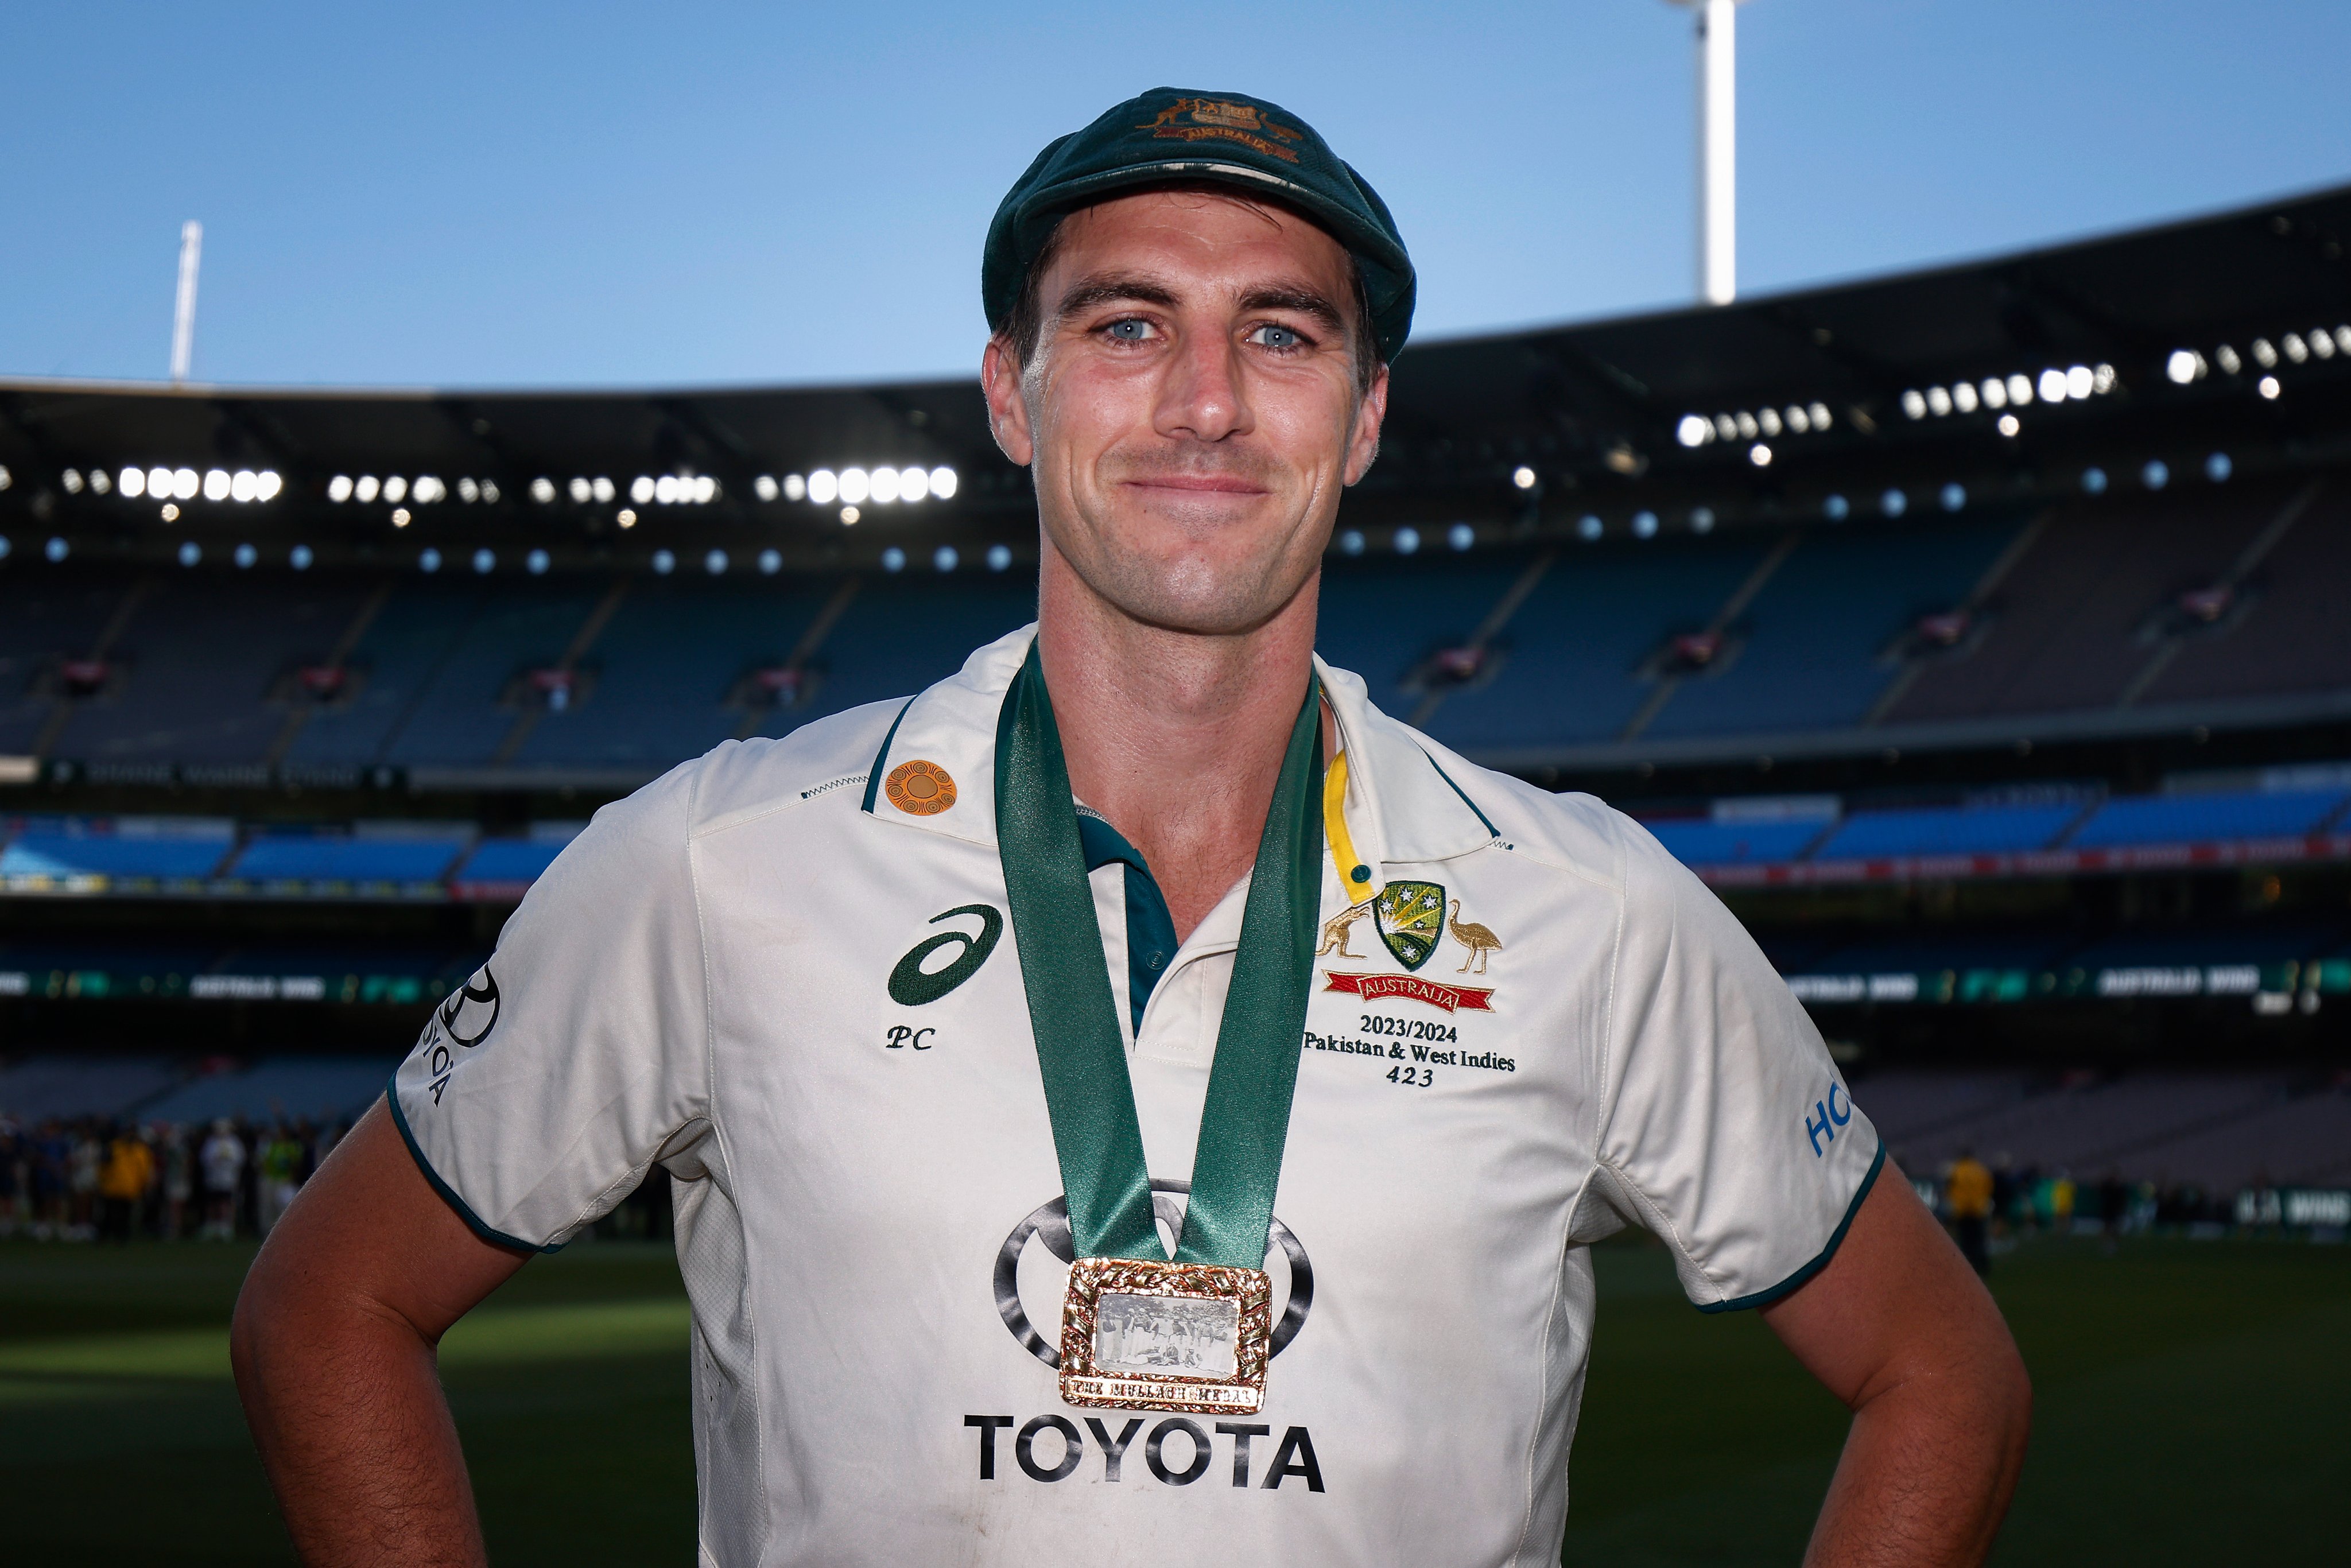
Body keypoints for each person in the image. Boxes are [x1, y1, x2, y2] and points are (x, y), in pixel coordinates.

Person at [234, 87, 2030, 1567]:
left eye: (1280, 332)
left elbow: (1944, 1370)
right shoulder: (720, 857)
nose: (1206, 400)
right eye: (1126, 324)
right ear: (1010, 393)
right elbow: (328, 1305)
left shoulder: (1589, 906)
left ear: (1364, 415)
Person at [97, 1123, 154, 1244]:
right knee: (109, 1214)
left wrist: (145, 1185)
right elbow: (103, 1167)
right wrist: (102, 1182)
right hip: (112, 1188)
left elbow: (144, 1170)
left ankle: (121, 1237)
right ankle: (105, 1236)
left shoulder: (140, 1150)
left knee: (124, 1215)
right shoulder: (114, 1147)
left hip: (129, 1189)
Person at [1947, 1148, 1995, 1278]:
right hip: (1979, 1209)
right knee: (1979, 1239)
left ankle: (1969, 1267)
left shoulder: (1956, 1170)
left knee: (1966, 1241)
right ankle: (1983, 1266)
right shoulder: (1980, 1169)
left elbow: (1950, 1188)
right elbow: (1989, 1187)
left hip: (1962, 1210)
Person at [200, 1118, 245, 1240]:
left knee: (226, 1202)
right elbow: (205, 1159)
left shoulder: (234, 1143)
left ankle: (226, 1226)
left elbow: (240, 1159)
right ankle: (212, 1225)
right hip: (213, 1179)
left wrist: (227, 1161)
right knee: (212, 1202)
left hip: (228, 1179)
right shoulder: (211, 1142)